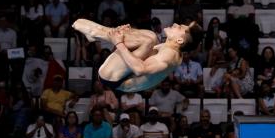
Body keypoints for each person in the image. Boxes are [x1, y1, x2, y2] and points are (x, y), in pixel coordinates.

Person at [71, 20, 201, 93]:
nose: (176, 24)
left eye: (180, 28)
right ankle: (99, 34)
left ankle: (96, 32)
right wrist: (129, 32)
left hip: (115, 79)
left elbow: (140, 69)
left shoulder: (169, 56)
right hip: (125, 74)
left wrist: (119, 43)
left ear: (179, 40)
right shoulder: (173, 50)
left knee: (148, 40)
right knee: (151, 37)